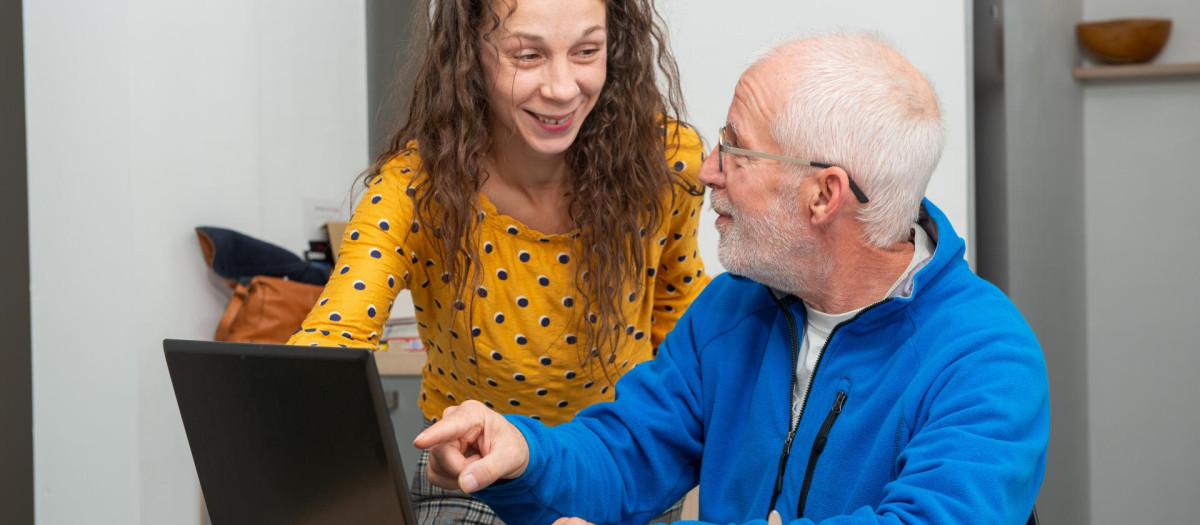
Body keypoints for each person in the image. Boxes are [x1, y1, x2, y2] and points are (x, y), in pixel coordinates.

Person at [413, 34, 1051, 524]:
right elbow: (625, 455)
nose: (706, 172)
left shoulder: (986, 358)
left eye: (735, 149)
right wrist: (520, 453)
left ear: (822, 195)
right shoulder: (732, 310)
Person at [288, 0, 709, 522]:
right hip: (473, 475)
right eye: (527, 55)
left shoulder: (667, 161)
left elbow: (683, 316)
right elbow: (332, 338)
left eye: (586, 51)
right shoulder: (415, 190)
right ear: (471, 54)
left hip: (617, 463)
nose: (561, 88)